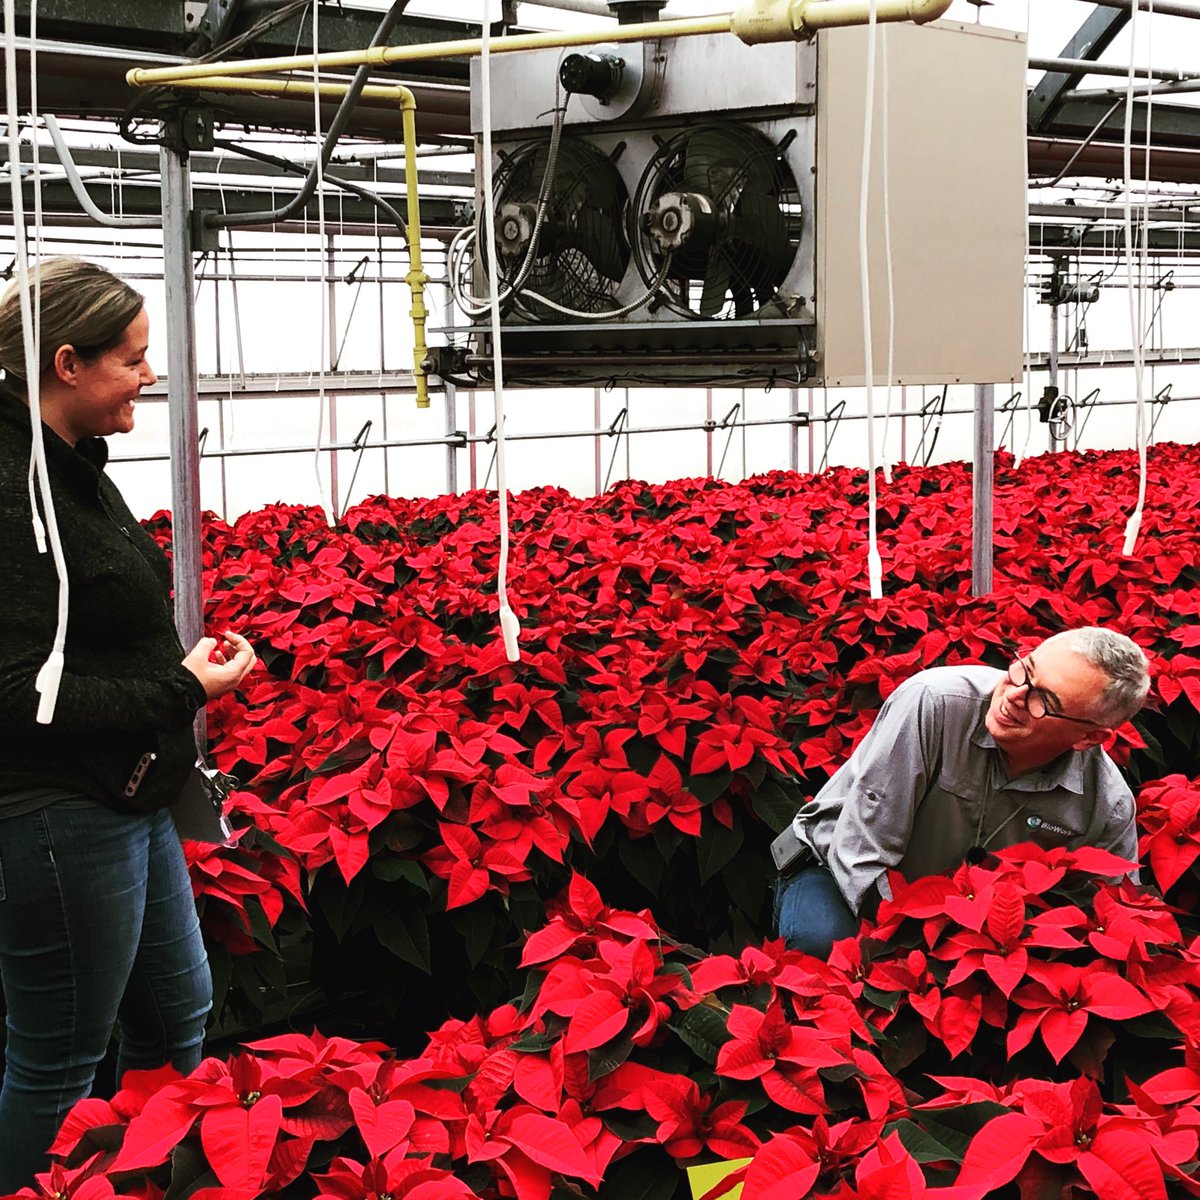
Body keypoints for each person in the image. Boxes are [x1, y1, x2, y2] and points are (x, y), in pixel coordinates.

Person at [0, 258, 256, 1188]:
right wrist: (183, 689)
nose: (149, 376)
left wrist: (180, 678)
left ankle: (156, 1176)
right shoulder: (13, 488)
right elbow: (18, 693)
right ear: (68, 363)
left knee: (173, 1020)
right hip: (56, 811)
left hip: (128, 792)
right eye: (133, 359)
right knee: (58, 1065)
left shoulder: (70, 467)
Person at [773, 627, 1150, 958]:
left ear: (1089, 737)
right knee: (823, 945)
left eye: (1045, 701)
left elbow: (1109, 910)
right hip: (838, 869)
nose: (1015, 694)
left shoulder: (1107, 804)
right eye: (1024, 669)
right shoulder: (933, 703)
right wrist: (928, 946)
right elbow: (860, 852)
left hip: (966, 921)